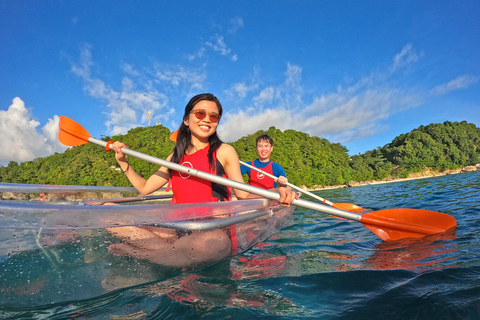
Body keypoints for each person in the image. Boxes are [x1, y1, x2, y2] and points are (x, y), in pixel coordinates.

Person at [106, 93, 298, 269]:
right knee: (108, 211)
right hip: (178, 228)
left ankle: (141, 253)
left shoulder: (224, 151)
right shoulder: (174, 156)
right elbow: (145, 188)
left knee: (212, 244)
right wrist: (123, 162)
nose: (207, 119)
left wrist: (276, 192)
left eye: (213, 116)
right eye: (200, 113)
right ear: (186, 120)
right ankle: (171, 253)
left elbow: (243, 195)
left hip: (213, 232)